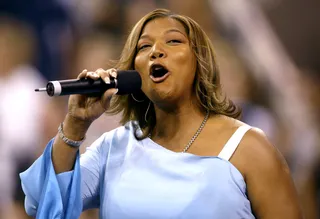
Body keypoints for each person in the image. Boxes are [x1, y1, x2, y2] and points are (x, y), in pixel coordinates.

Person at [20, 8, 302, 219]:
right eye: (144, 46)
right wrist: (75, 125)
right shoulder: (114, 147)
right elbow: (39, 202)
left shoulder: (249, 147)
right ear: (134, 71)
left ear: (200, 62)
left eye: (173, 42)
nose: (156, 51)